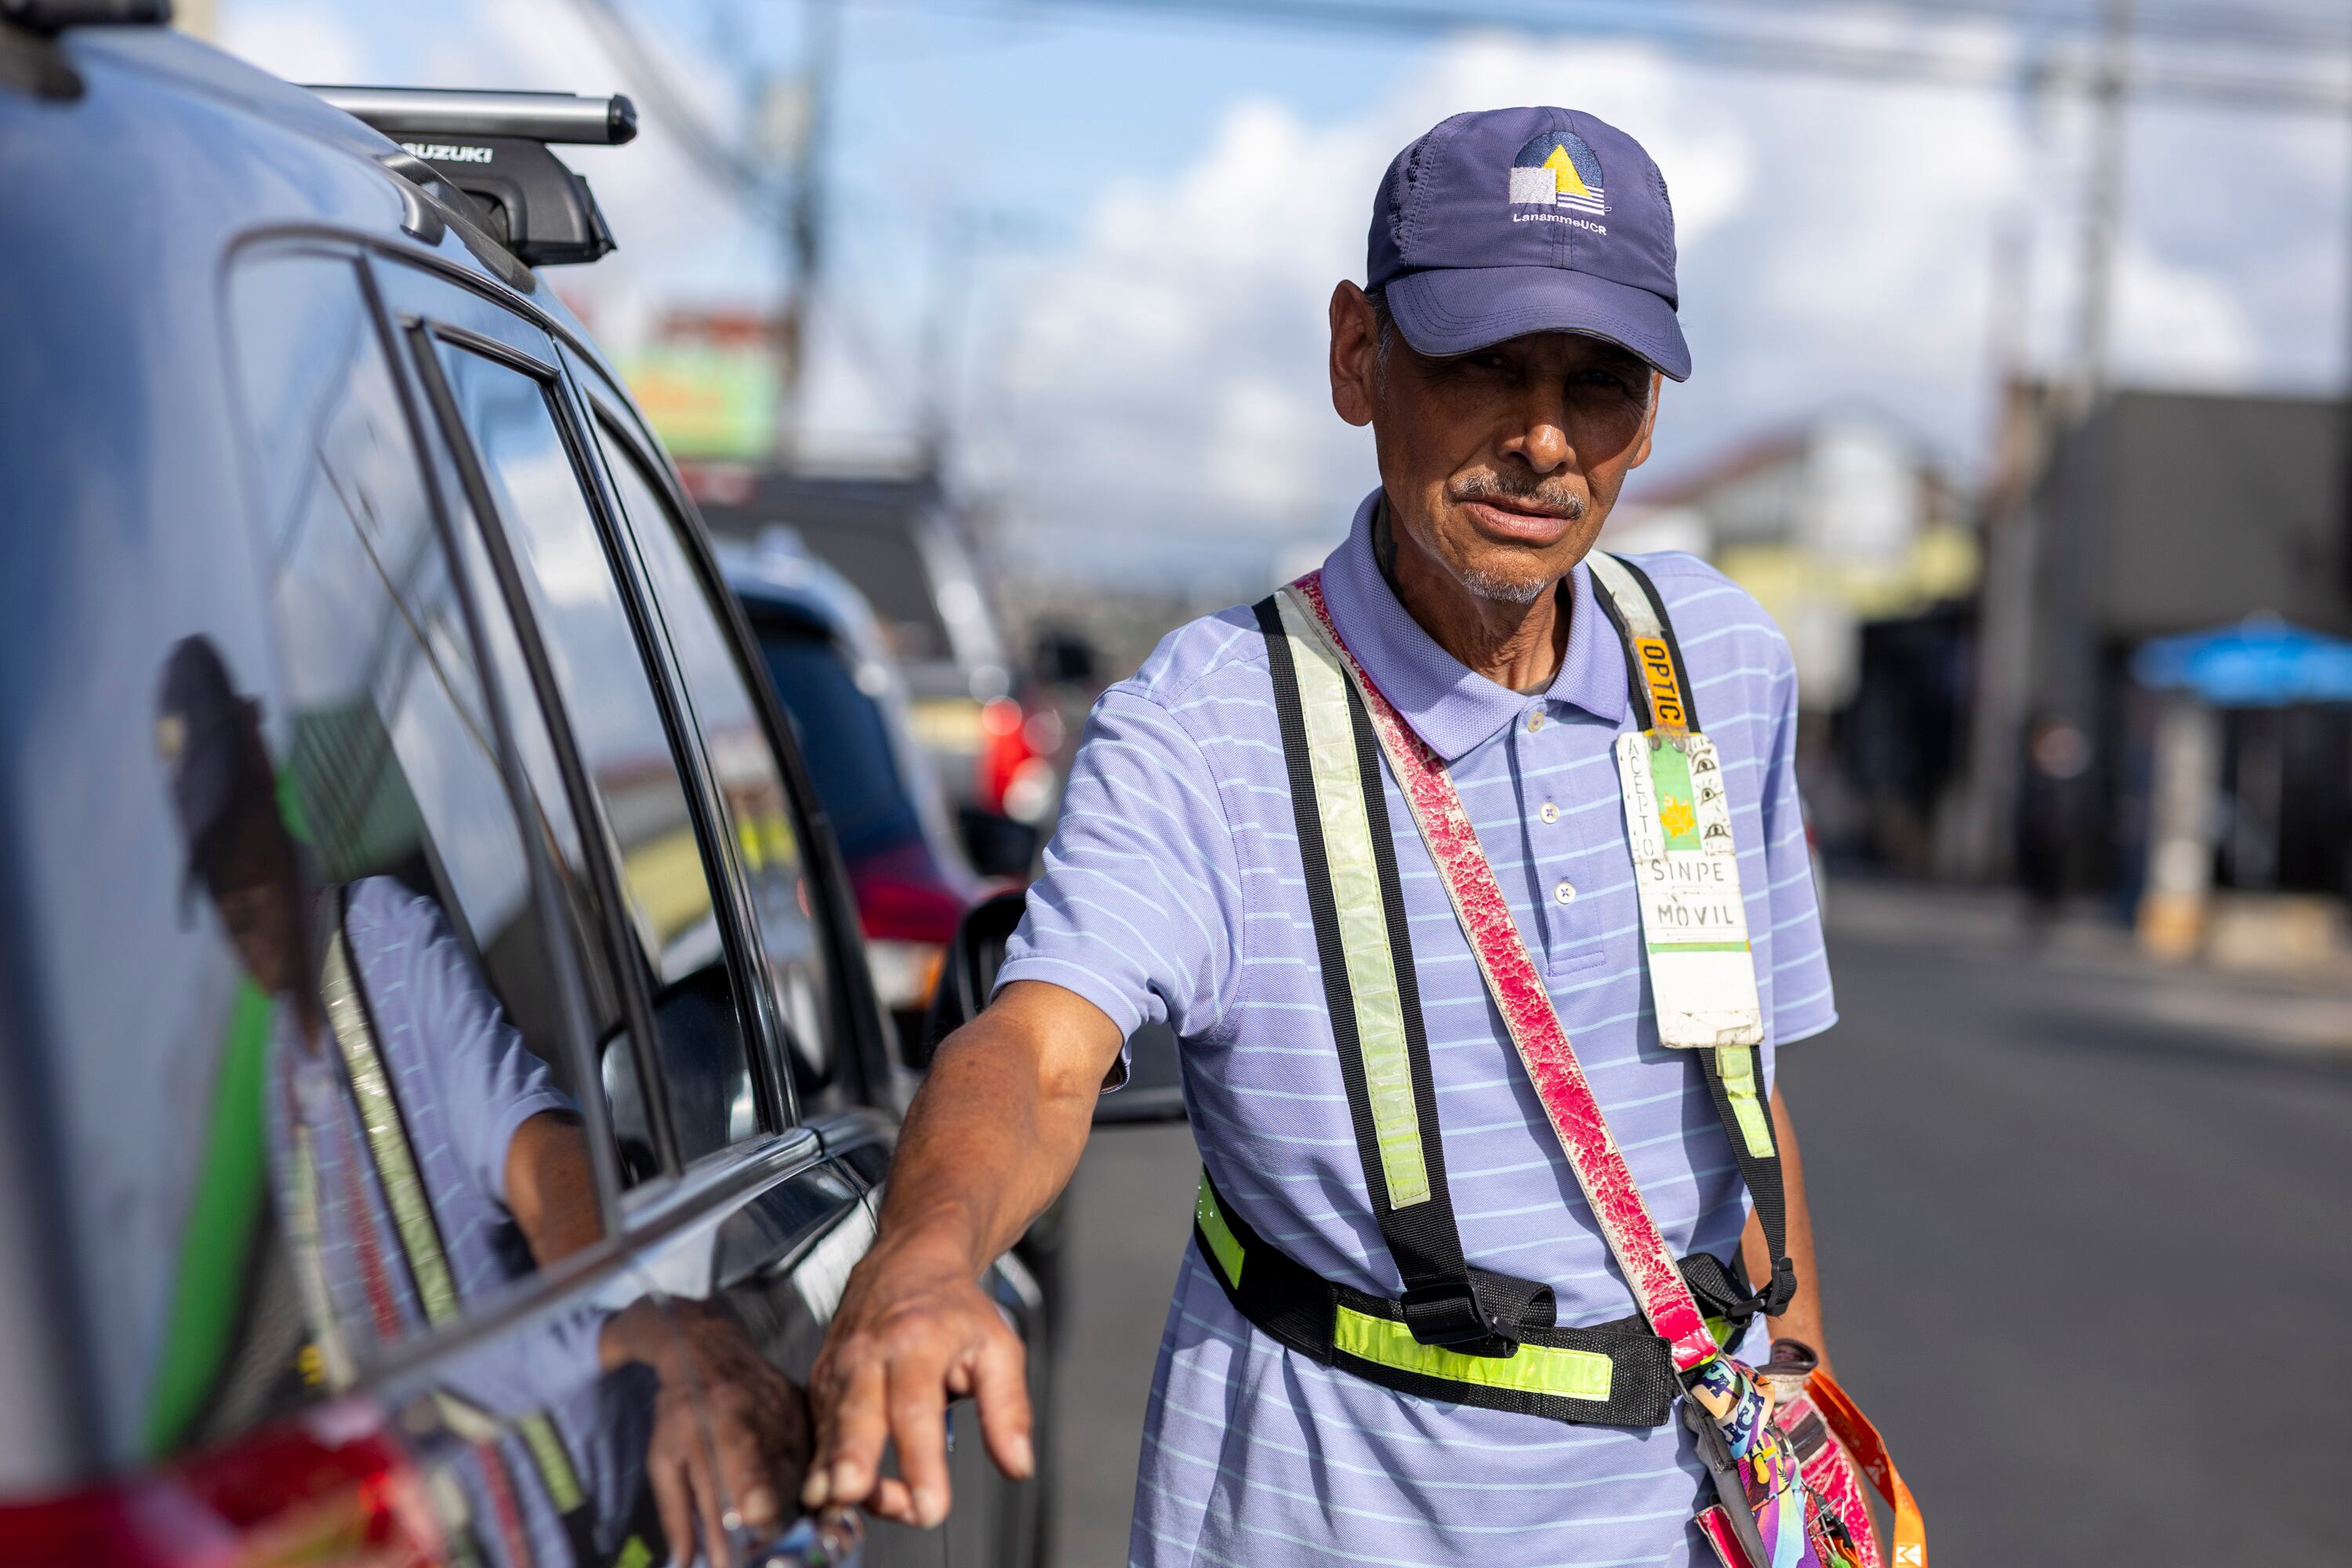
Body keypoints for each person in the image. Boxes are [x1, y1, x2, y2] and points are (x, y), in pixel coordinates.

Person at [801, 106, 1839, 1564]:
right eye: (1486, 362)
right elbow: (1036, 1054)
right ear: (1359, 355)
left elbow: (1743, 1097)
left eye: (1598, 383)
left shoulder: (1720, 664)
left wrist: (1803, 1415)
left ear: (1652, 414)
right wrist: (921, 1261)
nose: (1543, 439)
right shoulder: (1208, 723)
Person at [158, 636, 803, 1566]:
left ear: (264, 760)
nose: (235, 895)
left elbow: (547, 1169)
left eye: (237, 844)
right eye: (210, 869)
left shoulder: (379, 945)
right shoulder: (260, 1076)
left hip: (595, 1522)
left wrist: (638, 1327)